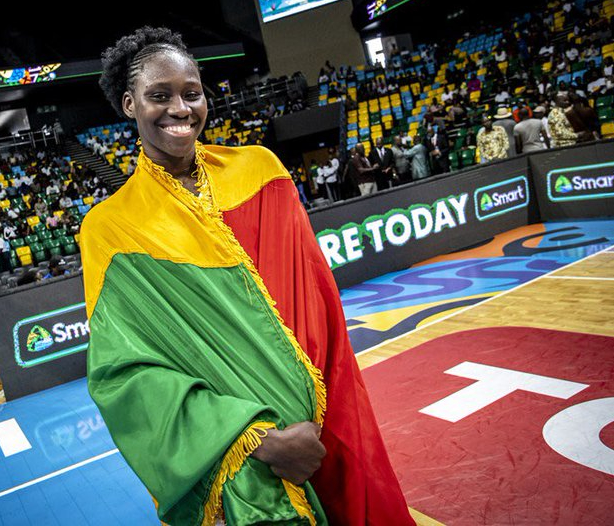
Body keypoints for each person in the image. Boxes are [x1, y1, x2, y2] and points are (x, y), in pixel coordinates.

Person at [81, 26, 412, 525]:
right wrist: (257, 439)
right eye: (159, 96)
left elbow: (318, 303)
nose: (180, 108)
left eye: (192, 93)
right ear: (129, 104)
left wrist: (320, 419)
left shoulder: (262, 170)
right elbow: (126, 377)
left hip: (327, 421)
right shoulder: (109, 227)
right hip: (247, 459)